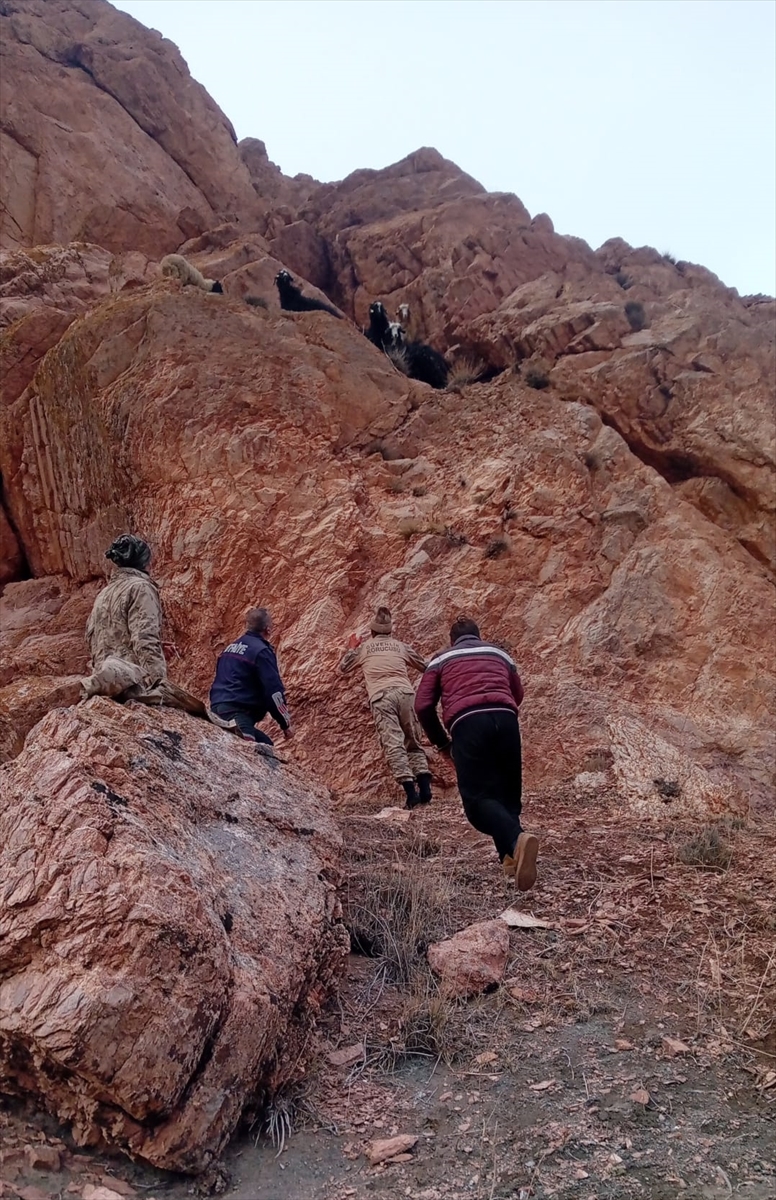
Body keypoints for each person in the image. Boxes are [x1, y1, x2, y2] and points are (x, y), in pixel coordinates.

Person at [414, 616, 539, 890]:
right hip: (506, 719)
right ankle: (509, 861)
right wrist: (500, 707)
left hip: (468, 723)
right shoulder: (499, 653)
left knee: (478, 800)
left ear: (452, 640)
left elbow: (422, 705)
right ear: (478, 636)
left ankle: (518, 840)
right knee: (507, 795)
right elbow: (517, 693)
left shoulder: (440, 659)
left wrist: (443, 743)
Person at [339, 606, 432, 809]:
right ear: (390, 631)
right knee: (413, 740)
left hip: (382, 697)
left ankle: (411, 794)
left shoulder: (365, 649)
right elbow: (425, 667)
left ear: (372, 632)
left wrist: (352, 647)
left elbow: (343, 668)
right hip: (406, 694)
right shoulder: (400, 646)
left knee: (393, 743)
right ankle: (425, 788)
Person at [81, 534, 167, 700]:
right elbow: (144, 638)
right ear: (144, 561)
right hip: (132, 687)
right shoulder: (141, 588)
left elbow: (98, 640)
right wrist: (160, 685)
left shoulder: (103, 594)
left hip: (107, 688)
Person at [209, 607, 292, 752]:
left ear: (246, 626)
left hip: (217, 708)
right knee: (251, 755)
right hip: (237, 713)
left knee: (267, 745)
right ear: (268, 630)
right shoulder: (261, 651)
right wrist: (286, 724)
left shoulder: (230, 648)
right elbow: (274, 692)